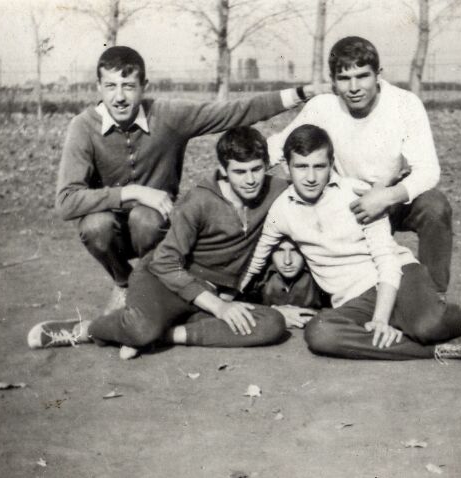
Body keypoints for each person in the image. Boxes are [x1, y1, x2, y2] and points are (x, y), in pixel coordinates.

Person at [243, 125, 461, 363]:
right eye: (301, 167)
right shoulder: (281, 210)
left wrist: (380, 318)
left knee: (427, 324)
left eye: (318, 166)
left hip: (397, 277)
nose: (310, 177)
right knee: (321, 333)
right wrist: (229, 298)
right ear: (287, 168)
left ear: (331, 165)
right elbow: (257, 260)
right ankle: (446, 350)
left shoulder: (356, 195)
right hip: (352, 300)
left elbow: (386, 260)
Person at [56, 46, 326, 312]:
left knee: (144, 218)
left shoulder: (167, 116)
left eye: (128, 86)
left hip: (155, 226)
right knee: (95, 225)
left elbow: (232, 111)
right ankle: (125, 283)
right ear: (98, 87)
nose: (119, 97)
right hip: (110, 228)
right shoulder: (83, 127)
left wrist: (300, 93)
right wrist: (134, 191)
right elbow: (66, 201)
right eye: (110, 86)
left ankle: (152, 286)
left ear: (144, 86)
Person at [30, 127, 289, 359]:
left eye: (256, 169)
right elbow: (165, 262)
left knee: (273, 324)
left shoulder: (276, 190)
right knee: (141, 328)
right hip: (166, 279)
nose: (251, 180)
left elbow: (313, 186)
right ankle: (85, 330)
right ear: (223, 170)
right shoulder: (200, 200)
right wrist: (219, 307)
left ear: (266, 164)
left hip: (213, 293)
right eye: (240, 172)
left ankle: (166, 334)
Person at [267, 36, 451, 294]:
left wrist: (385, 196)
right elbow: (279, 146)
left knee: (434, 206)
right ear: (333, 81)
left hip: (391, 198)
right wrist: (235, 165)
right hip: (344, 203)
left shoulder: (404, 103)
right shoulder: (324, 106)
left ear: (378, 75)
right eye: (344, 79)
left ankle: (434, 296)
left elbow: (428, 170)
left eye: (362, 76)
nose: (354, 87)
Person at [248, 237, 329, 329]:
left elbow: (341, 312)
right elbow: (238, 309)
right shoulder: (256, 277)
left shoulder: (321, 276)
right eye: (279, 250)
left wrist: (309, 314)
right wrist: (276, 313)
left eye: (295, 250)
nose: (287, 261)